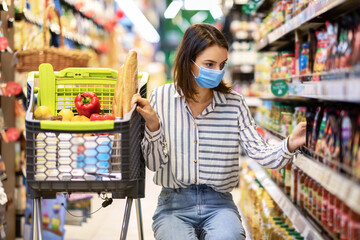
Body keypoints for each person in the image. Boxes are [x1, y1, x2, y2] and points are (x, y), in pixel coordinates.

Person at [131, 23, 306, 240]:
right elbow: (154, 164)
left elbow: (261, 152)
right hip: (172, 205)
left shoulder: (234, 104)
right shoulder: (161, 98)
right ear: (189, 61)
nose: (217, 72)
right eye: (209, 64)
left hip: (219, 204)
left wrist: (290, 143)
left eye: (222, 64)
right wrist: (153, 126)